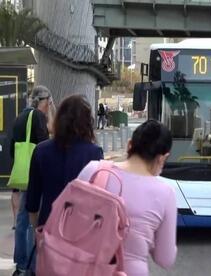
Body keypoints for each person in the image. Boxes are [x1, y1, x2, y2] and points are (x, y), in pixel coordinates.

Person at [78, 120, 177, 275]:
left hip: (81, 268)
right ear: (162, 158)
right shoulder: (165, 193)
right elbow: (164, 259)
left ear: (129, 144)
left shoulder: (93, 170)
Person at [26, 95, 104, 230]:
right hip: (82, 228)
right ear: (87, 121)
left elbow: (32, 199)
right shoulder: (94, 152)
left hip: (48, 223)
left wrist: (37, 229)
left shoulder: (41, 150)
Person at [9, 85, 51, 276]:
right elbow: (44, 146)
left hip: (21, 172)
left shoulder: (19, 117)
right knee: (32, 219)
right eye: (49, 102)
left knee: (21, 219)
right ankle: (29, 266)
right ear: (43, 102)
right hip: (35, 175)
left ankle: (19, 264)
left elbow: (11, 149)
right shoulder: (38, 117)